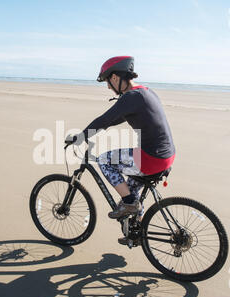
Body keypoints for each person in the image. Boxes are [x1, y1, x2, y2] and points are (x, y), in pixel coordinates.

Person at [70, 56, 176, 245]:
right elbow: (115, 119)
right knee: (132, 187)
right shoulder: (145, 91)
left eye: (108, 81)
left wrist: (81, 137)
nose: (108, 87)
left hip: (150, 158)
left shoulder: (131, 97)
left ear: (116, 78)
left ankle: (129, 203)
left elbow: (105, 119)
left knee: (104, 160)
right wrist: (95, 131)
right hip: (166, 156)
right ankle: (136, 234)